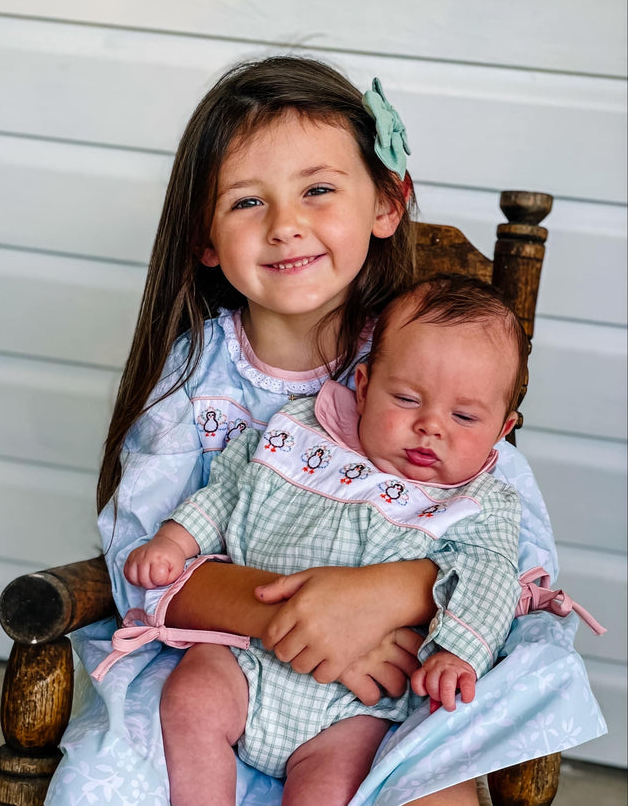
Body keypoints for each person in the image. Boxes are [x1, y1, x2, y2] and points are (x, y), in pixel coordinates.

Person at [44, 55, 605, 806]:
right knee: (103, 785)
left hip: (386, 691)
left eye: (316, 190)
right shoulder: (192, 384)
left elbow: (515, 564)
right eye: (247, 202)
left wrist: (390, 593)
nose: (286, 226)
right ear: (204, 237)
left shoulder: (432, 366)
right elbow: (142, 566)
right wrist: (306, 620)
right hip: (216, 670)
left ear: (384, 202)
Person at [117, 276, 526, 804]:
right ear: (363, 384)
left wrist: (457, 653)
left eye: (465, 416)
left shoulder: (481, 505)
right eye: (405, 398)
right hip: (248, 656)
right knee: (191, 698)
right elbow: (230, 494)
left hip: (354, 706)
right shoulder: (297, 432)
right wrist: (174, 541)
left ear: (501, 428)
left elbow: (491, 579)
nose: (430, 427)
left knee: (332, 787)